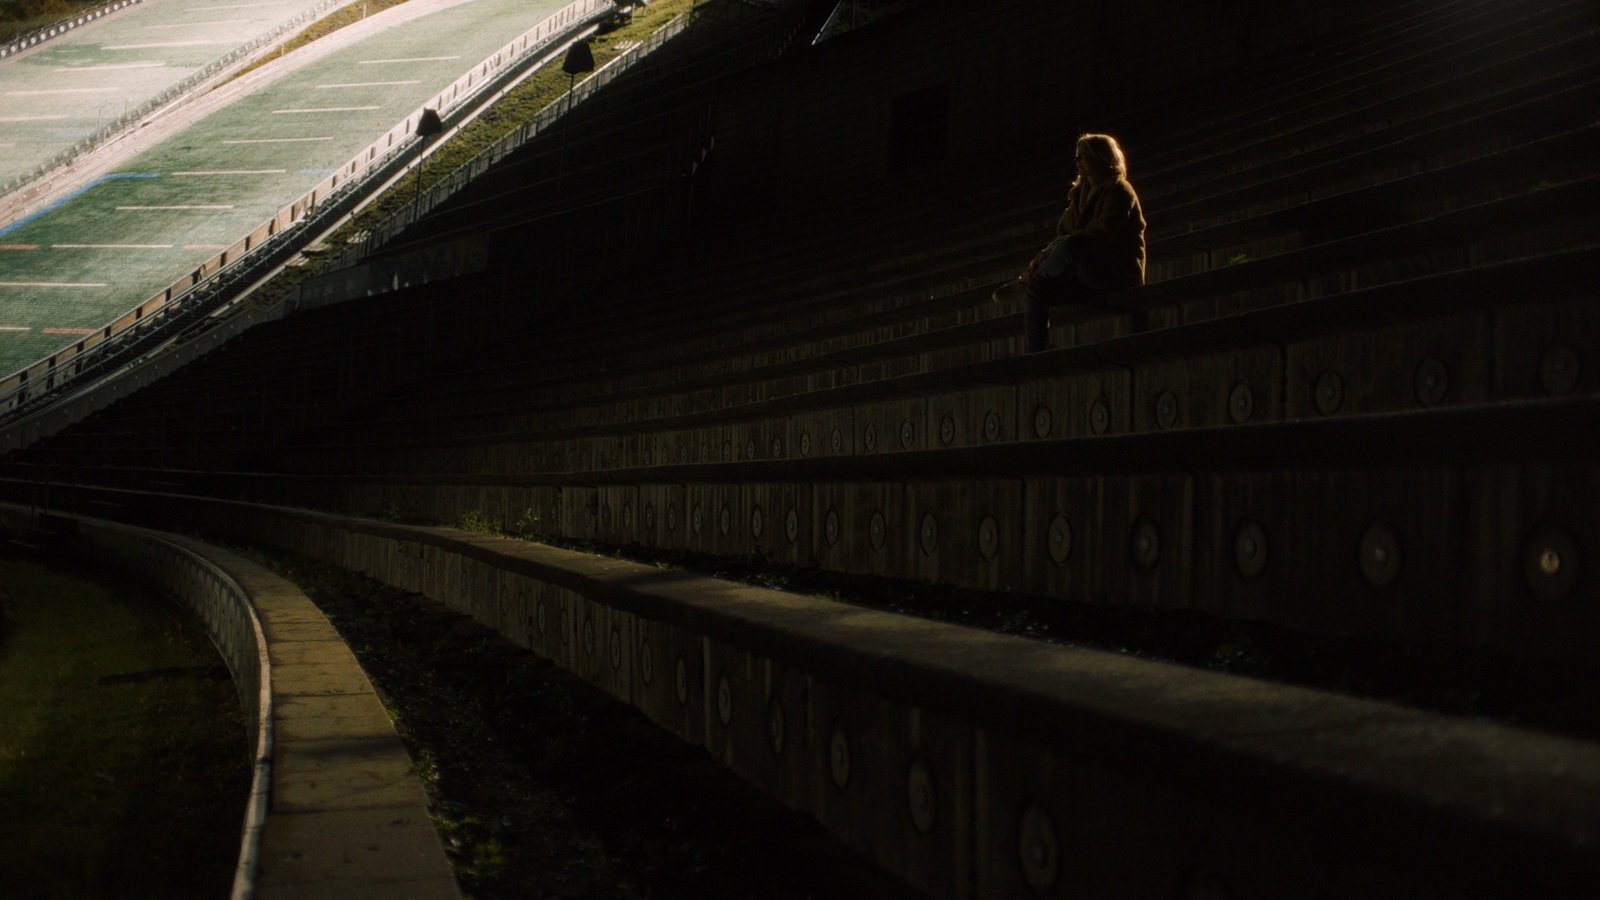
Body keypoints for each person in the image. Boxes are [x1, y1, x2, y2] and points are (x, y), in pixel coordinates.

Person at [993, 133, 1146, 352]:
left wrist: (1060, 248)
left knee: (1073, 245)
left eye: (1083, 156)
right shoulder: (1079, 195)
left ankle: (1025, 279)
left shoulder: (1120, 190)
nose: (1077, 162)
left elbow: (1103, 233)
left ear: (1101, 157)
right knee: (1038, 288)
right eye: (1077, 157)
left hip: (1114, 274)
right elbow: (1062, 235)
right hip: (1083, 277)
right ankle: (1035, 353)